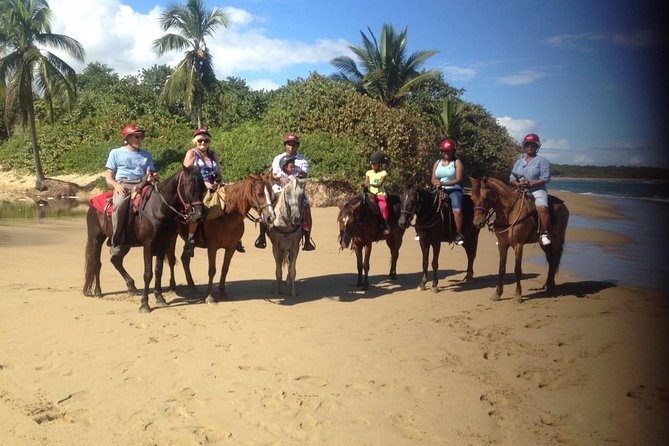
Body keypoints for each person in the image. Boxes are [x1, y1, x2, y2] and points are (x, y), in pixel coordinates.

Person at [182, 128, 245, 257]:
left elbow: (218, 172)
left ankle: (235, 237)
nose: (203, 143)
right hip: (198, 187)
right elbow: (187, 175)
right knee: (199, 209)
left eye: (206, 140)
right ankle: (190, 239)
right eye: (200, 140)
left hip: (215, 186)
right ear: (195, 141)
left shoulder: (212, 154)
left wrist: (220, 183)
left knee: (232, 204)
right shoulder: (191, 153)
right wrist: (203, 183)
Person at [255, 133, 316, 251]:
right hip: (278, 189)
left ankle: (307, 240)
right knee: (266, 206)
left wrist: (294, 179)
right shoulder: (278, 158)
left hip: (296, 191)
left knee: (306, 208)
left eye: (294, 144)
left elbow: (304, 174)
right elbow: (272, 175)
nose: (291, 146)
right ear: (285, 145)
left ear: (297, 146)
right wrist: (279, 179)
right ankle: (262, 236)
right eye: (289, 144)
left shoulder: (302, 160)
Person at [105, 125, 158, 256]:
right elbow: (108, 176)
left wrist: (153, 176)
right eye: (137, 136)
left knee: (158, 203)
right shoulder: (115, 153)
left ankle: (156, 238)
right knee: (120, 205)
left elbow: (149, 173)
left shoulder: (146, 155)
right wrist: (116, 185)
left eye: (141, 137)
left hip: (142, 184)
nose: (140, 139)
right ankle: (116, 241)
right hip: (123, 184)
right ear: (127, 138)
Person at [509, 133, 552, 245]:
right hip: (519, 188)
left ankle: (544, 233)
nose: (530, 147)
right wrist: (517, 183)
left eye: (532, 145)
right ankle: (506, 231)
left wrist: (530, 183)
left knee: (542, 207)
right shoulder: (519, 161)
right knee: (506, 205)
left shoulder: (542, 161)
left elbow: (545, 178)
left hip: (536, 189)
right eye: (527, 145)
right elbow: (512, 176)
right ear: (524, 146)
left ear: (537, 146)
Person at [431, 138, 465, 245]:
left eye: (449, 151)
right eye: (444, 151)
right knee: (424, 204)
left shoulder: (457, 162)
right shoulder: (437, 162)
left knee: (457, 210)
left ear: (453, 151)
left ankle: (458, 234)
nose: (446, 153)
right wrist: (436, 183)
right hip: (439, 189)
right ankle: (422, 230)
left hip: (454, 189)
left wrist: (443, 184)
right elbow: (433, 178)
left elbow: (458, 179)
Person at [364, 151, 390, 235]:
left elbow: (379, 184)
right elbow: (366, 181)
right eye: (372, 164)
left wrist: (370, 184)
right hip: (370, 194)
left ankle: (385, 225)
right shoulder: (368, 172)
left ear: (379, 164)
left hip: (380, 194)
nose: (373, 166)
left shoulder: (383, 173)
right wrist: (363, 185)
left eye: (374, 164)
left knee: (384, 206)